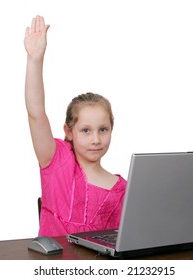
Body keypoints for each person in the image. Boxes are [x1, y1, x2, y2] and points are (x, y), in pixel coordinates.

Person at [24, 15, 127, 236]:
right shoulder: (56, 159)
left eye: (103, 129)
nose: (96, 139)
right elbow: (36, 113)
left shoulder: (122, 188)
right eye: (86, 130)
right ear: (69, 132)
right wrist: (35, 60)